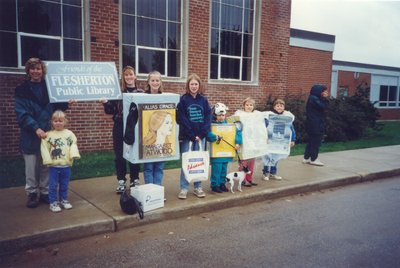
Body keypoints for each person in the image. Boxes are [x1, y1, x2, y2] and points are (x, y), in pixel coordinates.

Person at [15, 57, 74, 208]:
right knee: (31, 165)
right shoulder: (22, 90)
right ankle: (32, 193)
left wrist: (67, 103)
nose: (36, 71)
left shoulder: (51, 87)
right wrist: (35, 127)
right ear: (28, 70)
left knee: (47, 163)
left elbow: (57, 106)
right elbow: (22, 114)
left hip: (49, 134)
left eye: (38, 68)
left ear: (43, 70)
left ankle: (45, 192)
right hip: (30, 134)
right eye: (33, 68)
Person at [100, 66, 143, 193]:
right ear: (123, 77)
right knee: (120, 154)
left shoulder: (141, 92)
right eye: (126, 75)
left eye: (131, 74)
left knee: (134, 152)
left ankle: (135, 179)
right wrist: (105, 103)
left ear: (135, 76)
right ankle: (121, 181)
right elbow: (111, 111)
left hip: (134, 126)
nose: (129, 77)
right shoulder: (117, 93)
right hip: (119, 124)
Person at [177, 73, 211, 199]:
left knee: (199, 161)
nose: (194, 86)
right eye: (192, 84)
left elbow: (208, 117)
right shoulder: (183, 100)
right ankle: (184, 188)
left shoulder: (204, 100)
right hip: (188, 137)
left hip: (201, 137)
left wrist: (202, 134)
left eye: (196, 84)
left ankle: (198, 187)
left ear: (199, 85)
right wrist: (191, 135)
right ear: (188, 85)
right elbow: (182, 118)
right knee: (187, 161)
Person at [40, 110, 80, 212]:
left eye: (60, 121)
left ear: (65, 122)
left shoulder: (69, 134)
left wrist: (74, 154)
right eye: (55, 121)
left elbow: (73, 144)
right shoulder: (48, 135)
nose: (58, 123)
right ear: (52, 122)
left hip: (66, 165)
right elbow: (44, 148)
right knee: (53, 185)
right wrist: (47, 160)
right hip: (53, 166)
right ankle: (53, 202)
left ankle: (64, 200)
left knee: (64, 184)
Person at [207, 102, 242, 193]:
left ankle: (222, 183)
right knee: (216, 170)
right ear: (215, 115)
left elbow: (237, 132)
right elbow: (208, 134)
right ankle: (215, 185)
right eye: (219, 115)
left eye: (223, 115)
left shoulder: (229, 124)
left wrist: (238, 142)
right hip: (217, 152)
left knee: (223, 169)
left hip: (226, 152)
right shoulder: (211, 125)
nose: (221, 117)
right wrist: (214, 137)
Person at [262, 98, 296, 180]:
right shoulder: (269, 117)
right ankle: (265, 173)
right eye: (277, 106)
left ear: (284, 107)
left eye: (281, 106)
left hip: (281, 141)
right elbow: (264, 128)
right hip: (270, 140)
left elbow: (291, 129)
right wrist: (264, 137)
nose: (279, 107)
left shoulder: (287, 117)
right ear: (274, 107)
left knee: (276, 156)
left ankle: (273, 173)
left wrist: (293, 139)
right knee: (268, 156)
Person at [142, 71, 166, 185]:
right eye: (153, 80)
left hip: (161, 140)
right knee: (148, 167)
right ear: (148, 82)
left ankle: (158, 190)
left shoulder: (166, 98)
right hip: (149, 136)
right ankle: (150, 192)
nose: (155, 83)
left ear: (161, 82)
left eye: (157, 80)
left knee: (159, 167)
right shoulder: (142, 97)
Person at [303, 84, 329, 166]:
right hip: (316, 124)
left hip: (312, 123)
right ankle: (314, 159)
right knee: (316, 141)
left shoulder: (312, 98)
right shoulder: (314, 99)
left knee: (311, 141)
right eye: (323, 91)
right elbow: (323, 107)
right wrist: (325, 98)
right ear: (318, 91)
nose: (325, 92)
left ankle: (306, 158)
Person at [234, 97, 258, 187]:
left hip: (252, 141)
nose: (249, 106)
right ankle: (242, 179)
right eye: (247, 105)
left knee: (252, 161)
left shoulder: (256, 116)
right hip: (243, 142)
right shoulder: (240, 115)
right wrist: (238, 141)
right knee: (244, 161)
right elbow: (237, 128)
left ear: (253, 106)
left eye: (251, 105)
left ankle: (249, 178)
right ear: (243, 106)